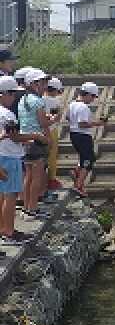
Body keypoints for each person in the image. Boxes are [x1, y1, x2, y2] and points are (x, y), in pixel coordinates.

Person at [0, 75, 46, 244]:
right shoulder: (7, 115)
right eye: (11, 94)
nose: (13, 97)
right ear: (2, 94)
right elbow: (14, 137)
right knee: (10, 196)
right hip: (10, 158)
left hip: (2, 156)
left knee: (2, 196)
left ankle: (3, 228)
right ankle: (9, 231)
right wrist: (34, 137)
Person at [18, 68, 50, 216]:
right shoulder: (38, 101)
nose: (45, 85)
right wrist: (52, 122)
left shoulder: (22, 100)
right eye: (42, 82)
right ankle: (33, 208)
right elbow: (43, 123)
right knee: (37, 177)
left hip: (25, 141)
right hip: (37, 141)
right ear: (33, 84)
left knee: (28, 176)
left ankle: (26, 207)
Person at [67, 82, 106, 197]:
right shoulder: (83, 107)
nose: (93, 99)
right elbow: (82, 124)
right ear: (87, 94)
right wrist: (98, 123)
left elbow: (68, 118)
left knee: (84, 158)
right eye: (93, 96)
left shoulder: (72, 104)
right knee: (89, 160)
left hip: (73, 134)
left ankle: (76, 172)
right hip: (83, 135)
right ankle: (78, 185)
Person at [44, 77, 64, 191]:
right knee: (52, 155)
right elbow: (57, 117)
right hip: (51, 130)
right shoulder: (54, 101)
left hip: (40, 130)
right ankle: (51, 179)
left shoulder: (40, 98)